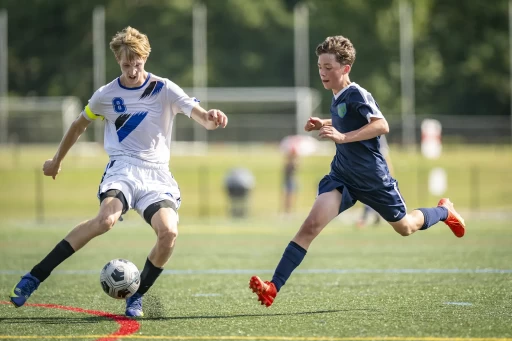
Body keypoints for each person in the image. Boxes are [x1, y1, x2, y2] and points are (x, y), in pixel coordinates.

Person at [9, 27, 228, 317]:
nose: (133, 70)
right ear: (118, 61)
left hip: (157, 175)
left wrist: (213, 118)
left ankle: (136, 297)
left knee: (169, 234)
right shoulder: (106, 95)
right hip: (122, 168)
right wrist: (56, 160)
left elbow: (204, 119)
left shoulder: (164, 89)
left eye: (138, 64)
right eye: (127, 65)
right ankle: (34, 277)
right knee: (105, 220)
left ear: (145, 58)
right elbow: (78, 125)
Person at [248, 35, 465, 307]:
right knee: (310, 226)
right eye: (319, 67)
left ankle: (445, 210)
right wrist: (323, 123)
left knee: (406, 227)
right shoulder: (337, 96)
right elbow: (344, 118)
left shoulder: (357, 93)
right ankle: (273, 287)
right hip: (343, 177)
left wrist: (341, 137)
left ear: (345, 68)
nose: (323, 73)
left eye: (328, 67)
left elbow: (381, 125)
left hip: (373, 179)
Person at [356, 134, 393, 228]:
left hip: (376, 170)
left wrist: (389, 170)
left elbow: (384, 154)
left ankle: (365, 218)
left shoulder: (379, 134)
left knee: (370, 194)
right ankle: (377, 216)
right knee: (372, 194)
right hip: (368, 169)